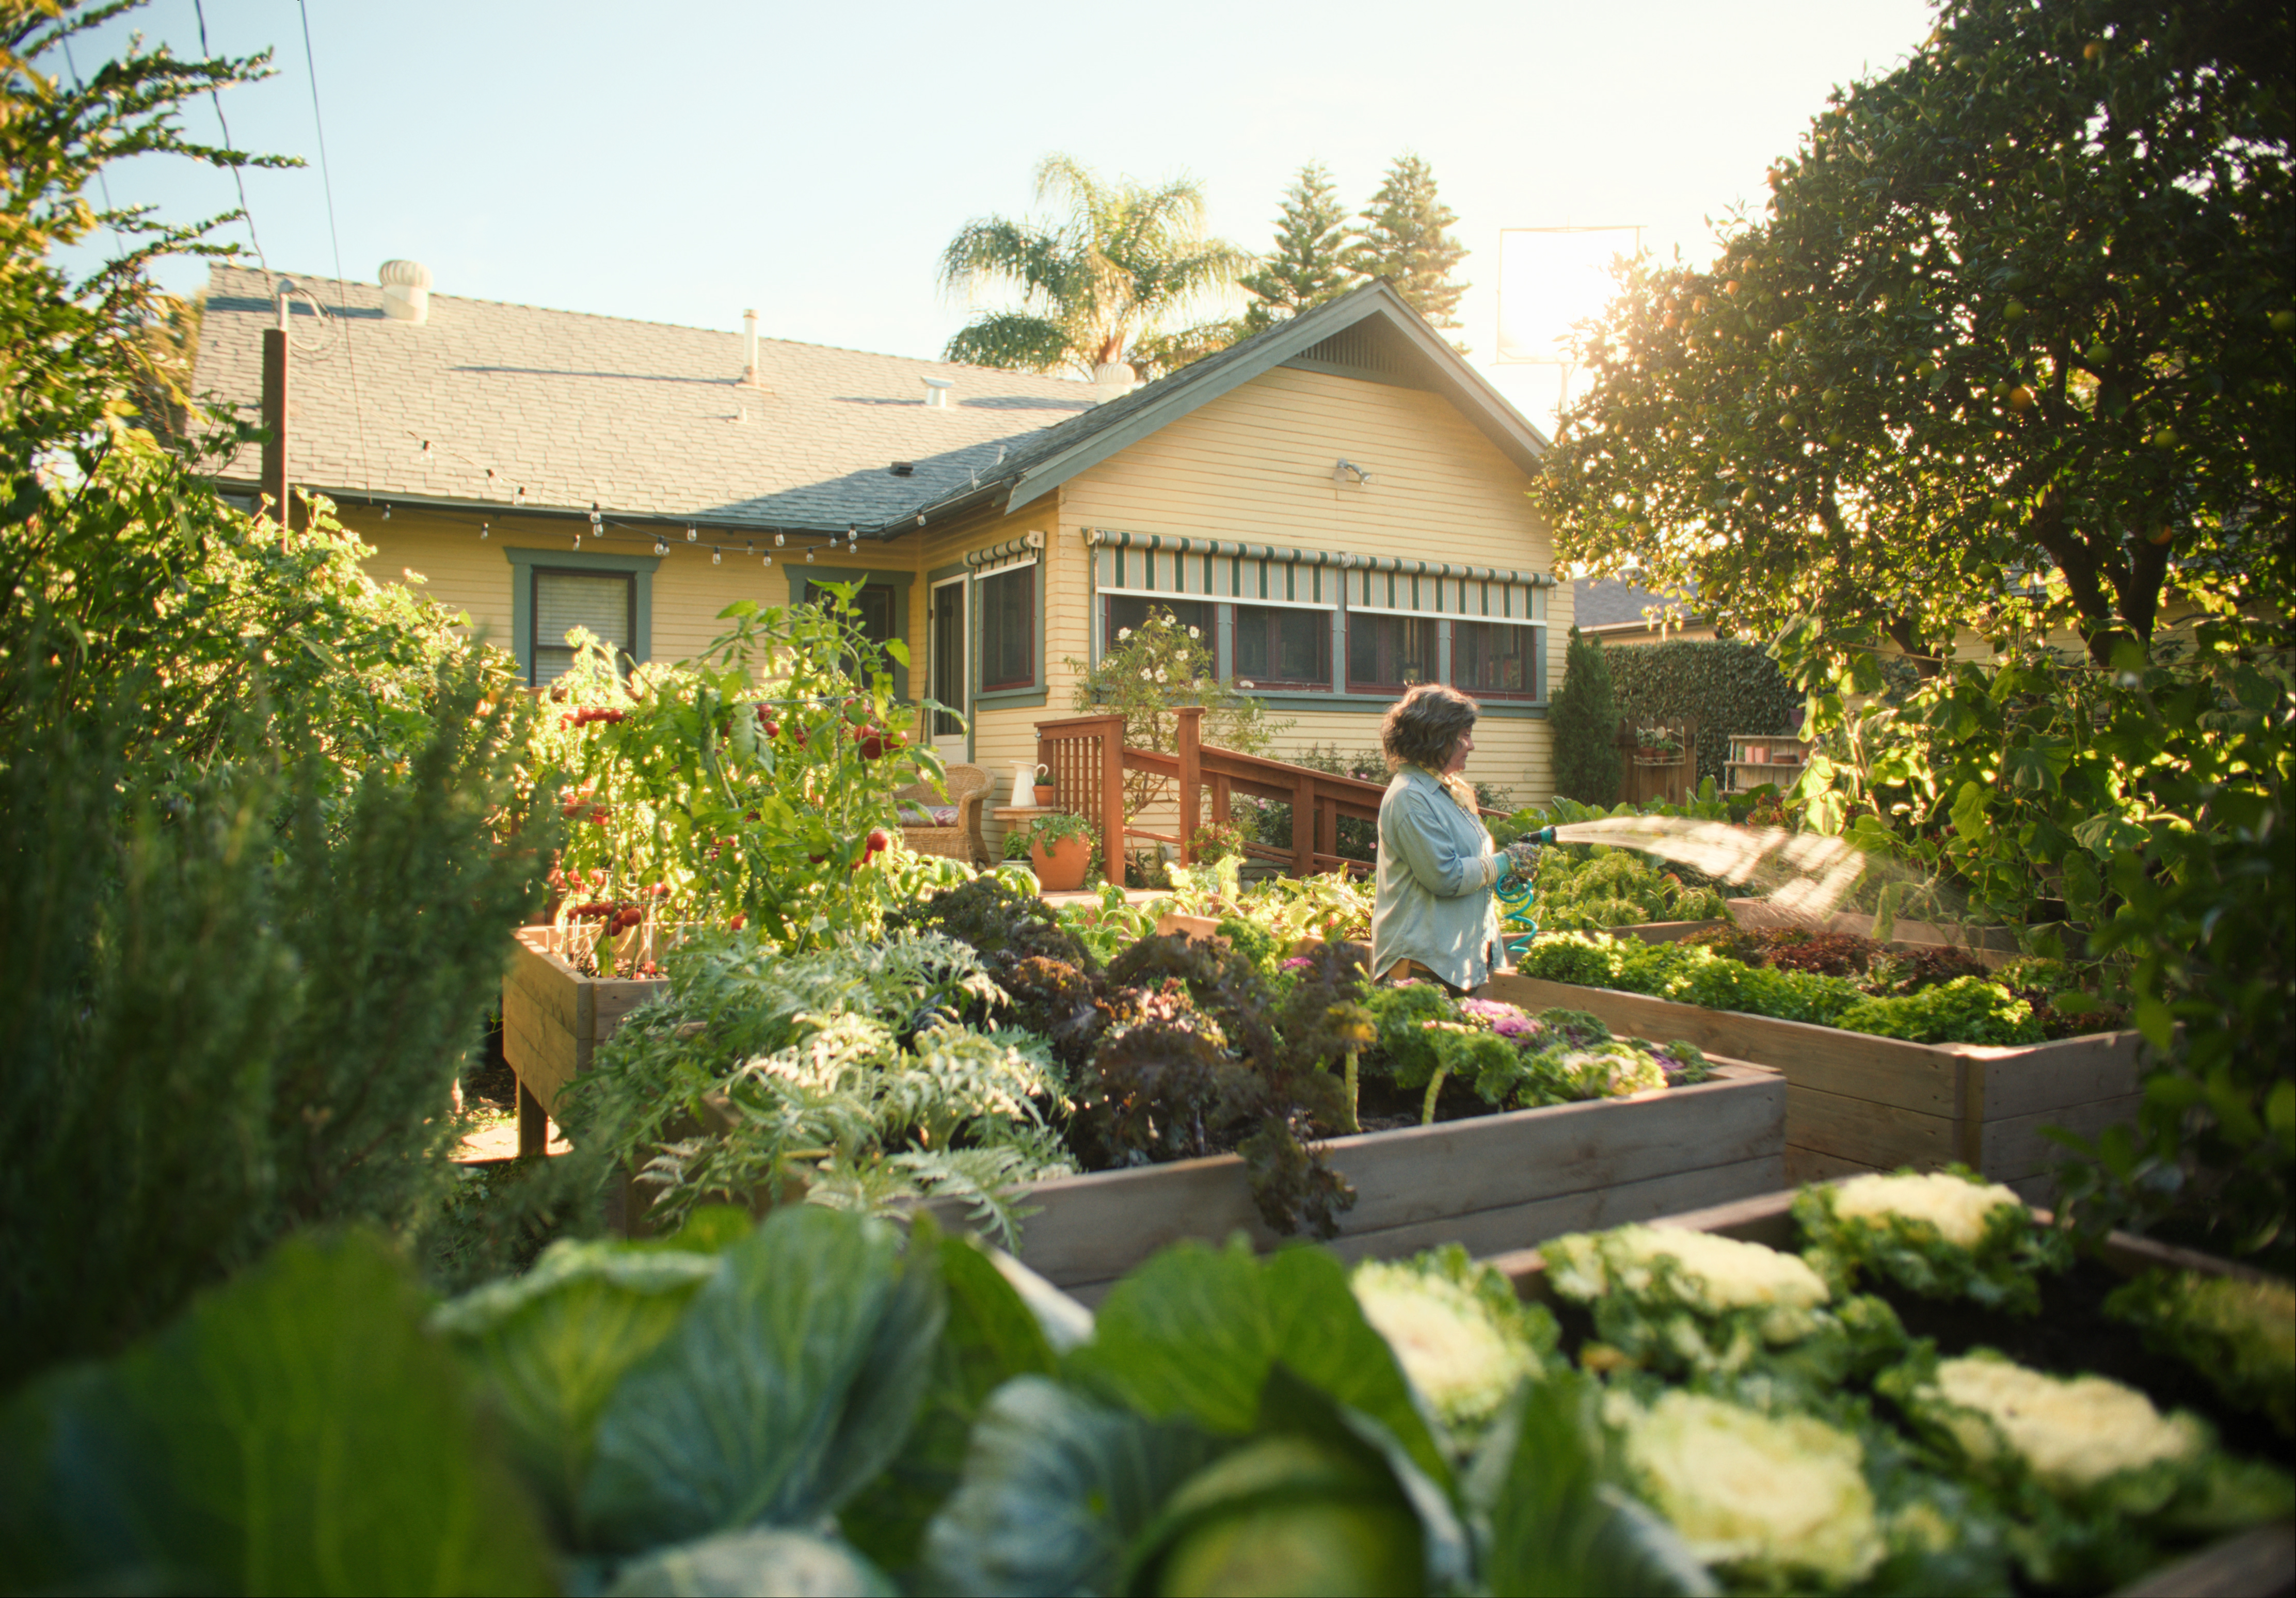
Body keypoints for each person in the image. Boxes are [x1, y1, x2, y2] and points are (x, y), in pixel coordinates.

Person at [1368, 684, 1540, 992]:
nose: (1471, 745)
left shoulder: (1448, 791)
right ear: (1433, 738)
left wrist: (1504, 872)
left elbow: (1474, 860)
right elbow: (1445, 877)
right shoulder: (1411, 797)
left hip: (1460, 963)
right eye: (1464, 735)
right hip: (1422, 969)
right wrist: (1505, 862)